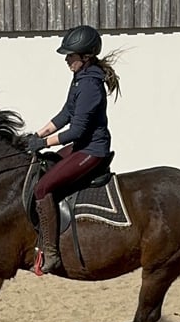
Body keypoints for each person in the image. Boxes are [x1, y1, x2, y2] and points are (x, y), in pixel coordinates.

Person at [25, 25, 122, 273]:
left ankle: (52, 252)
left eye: (71, 55)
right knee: (43, 164)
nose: (67, 59)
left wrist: (44, 143)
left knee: (43, 187)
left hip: (92, 150)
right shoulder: (80, 79)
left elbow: (76, 131)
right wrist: (37, 134)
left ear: (86, 56)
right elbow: (66, 113)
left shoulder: (90, 86)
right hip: (81, 146)